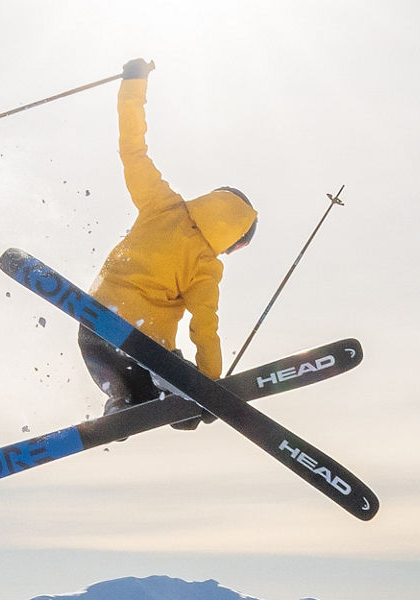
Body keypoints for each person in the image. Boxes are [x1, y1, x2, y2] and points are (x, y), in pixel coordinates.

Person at [78, 58, 257, 429]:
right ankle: (173, 394)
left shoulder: (162, 203)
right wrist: (211, 384)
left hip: (95, 323)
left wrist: (133, 85)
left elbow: (133, 150)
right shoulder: (205, 266)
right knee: (174, 395)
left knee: (120, 377)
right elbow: (205, 328)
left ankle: (120, 398)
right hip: (146, 348)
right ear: (234, 240)